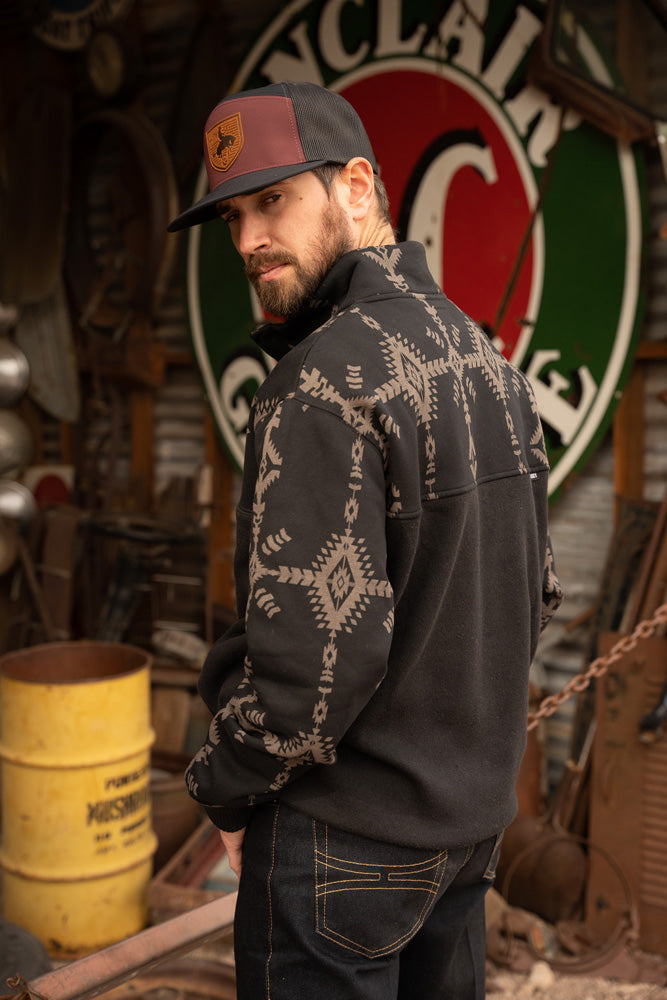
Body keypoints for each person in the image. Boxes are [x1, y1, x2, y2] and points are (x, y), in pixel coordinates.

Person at [168, 81, 563, 1000]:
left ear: (355, 188)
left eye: (273, 201)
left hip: (338, 853)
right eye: (233, 218)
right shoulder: (485, 359)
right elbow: (534, 594)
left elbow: (309, 681)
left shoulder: (316, 383)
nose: (249, 240)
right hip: (465, 845)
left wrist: (222, 786)